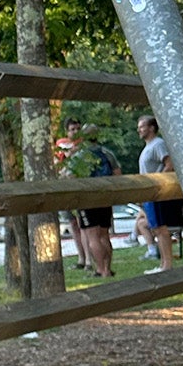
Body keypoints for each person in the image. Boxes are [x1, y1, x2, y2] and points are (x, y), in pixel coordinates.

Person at [71, 123, 119, 278]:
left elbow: (70, 176)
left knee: (92, 236)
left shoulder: (80, 155)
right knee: (105, 235)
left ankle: (100, 269)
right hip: (105, 198)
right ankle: (108, 267)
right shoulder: (107, 153)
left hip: (88, 200)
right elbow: (117, 174)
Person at [137, 114, 182, 272]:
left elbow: (169, 164)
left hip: (157, 193)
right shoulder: (147, 147)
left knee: (161, 228)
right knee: (155, 228)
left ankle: (167, 265)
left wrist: (158, 184)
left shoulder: (158, 144)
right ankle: (163, 263)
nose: (139, 130)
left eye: (142, 126)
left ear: (152, 128)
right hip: (149, 195)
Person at [54, 114, 89, 269]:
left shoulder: (86, 144)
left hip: (81, 188)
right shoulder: (62, 143)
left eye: (77, 128)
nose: (75, 132)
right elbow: (58, 161)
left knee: (84, 224)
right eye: (72, 129)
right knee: (73, 224)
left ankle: (89, 259)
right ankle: (81, 258)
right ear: (67, 131)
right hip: (65, 187)